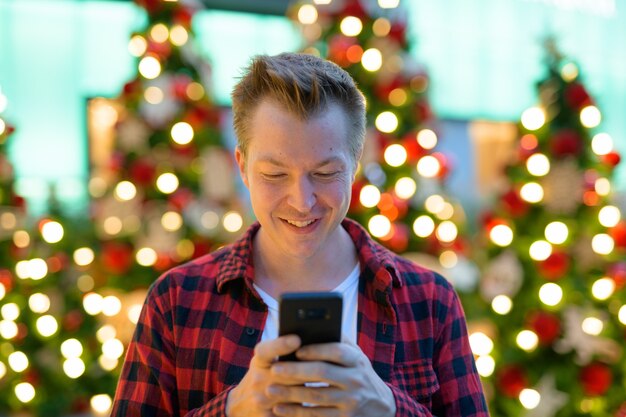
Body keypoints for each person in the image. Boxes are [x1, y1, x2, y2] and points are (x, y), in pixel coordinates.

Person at [111, 52, 489, 417]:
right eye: (275, 175)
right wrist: (231, 410)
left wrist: (388, 408)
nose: (302, 202)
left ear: (356, 166)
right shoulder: (176, 301)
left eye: (325, 174)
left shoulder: (430, 301)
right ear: (242, 168)